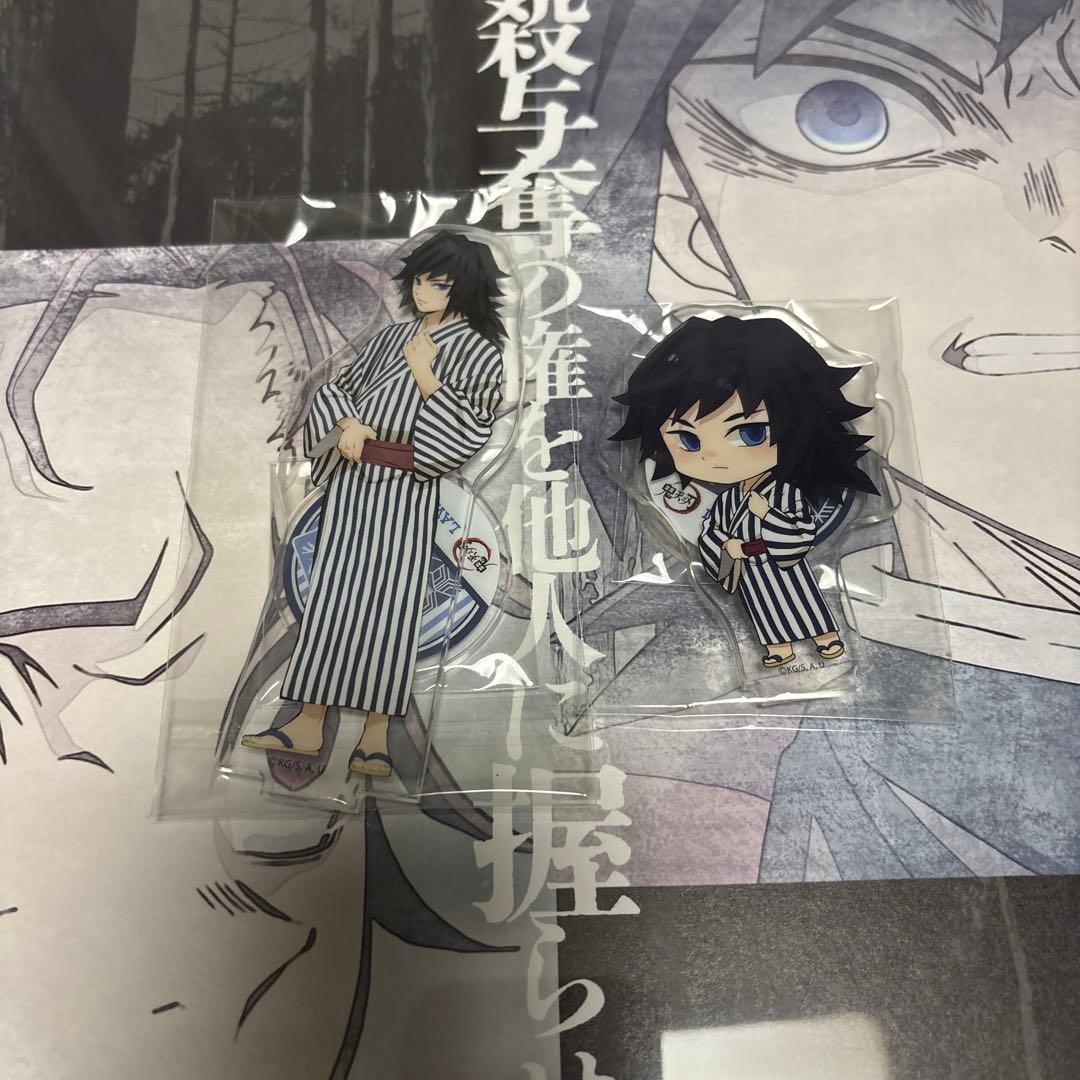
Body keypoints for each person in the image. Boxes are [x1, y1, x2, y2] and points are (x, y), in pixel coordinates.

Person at [242, 230, 506, 777]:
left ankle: (376, 738)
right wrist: (347, 424)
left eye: (439, 283)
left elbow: (470, 427)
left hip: (409, 483)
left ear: (465, 288)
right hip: (353, 477)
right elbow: (339, 387)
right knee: (332, 593)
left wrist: (427, 375)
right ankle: (307, 721)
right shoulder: (392, 337)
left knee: (390, 603)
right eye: (420, 280)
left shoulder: (480, 350)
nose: (423, 290)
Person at [610, 314, 878, 667]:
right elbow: (711, 534)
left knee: (802, 598)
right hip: (750, 570)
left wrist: (768, 516)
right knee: (761, 606)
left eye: (750, 433)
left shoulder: (786, 493)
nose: (716, 458)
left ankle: (826, 638)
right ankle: (779, 647)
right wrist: (727, 548)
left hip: (784, 563)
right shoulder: (726, 503)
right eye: (688, 439)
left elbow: (802, 532)